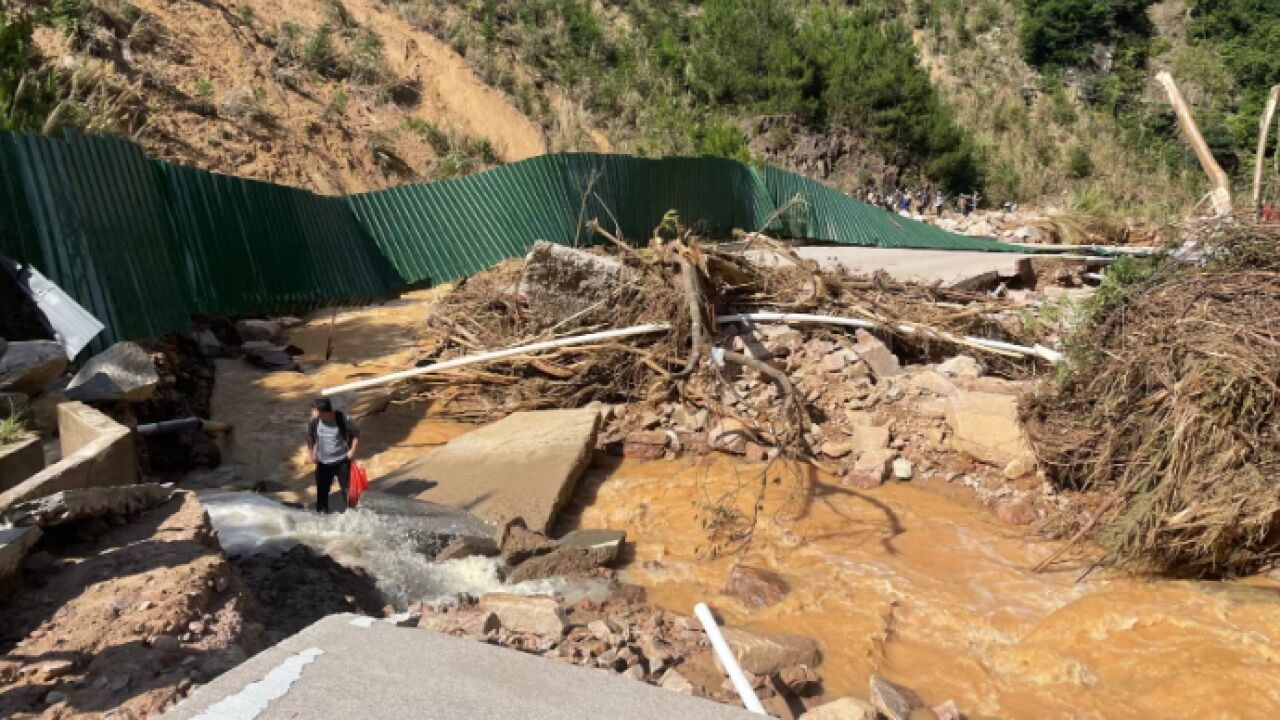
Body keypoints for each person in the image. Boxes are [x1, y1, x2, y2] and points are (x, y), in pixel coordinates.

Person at [306, 398, 360, 513]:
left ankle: (353, 515)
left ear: (323, 412)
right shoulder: (314, 421)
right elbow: (310, 437)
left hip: (342, 461)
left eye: (314, 409)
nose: (312, 412)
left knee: (347, 492)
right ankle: (322, 518)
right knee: (322, 494)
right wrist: (311, 454)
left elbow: (356, 433)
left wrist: (353, 451)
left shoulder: (343, 419)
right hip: (323, 463)